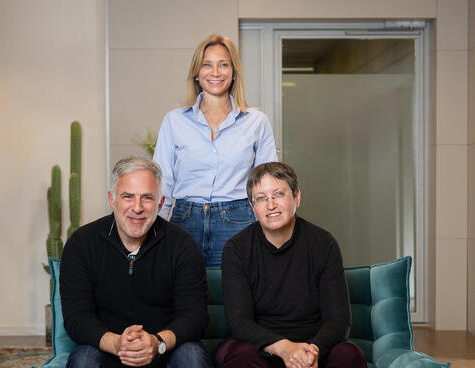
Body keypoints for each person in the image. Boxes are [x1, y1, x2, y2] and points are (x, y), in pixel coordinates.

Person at [60, 156, 212, 368]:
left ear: (160, 203)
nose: (138, 208)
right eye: (128, 197)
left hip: (164, 349)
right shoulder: (82, 244)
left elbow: (195, 317)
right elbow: (77, 317)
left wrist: (157, 342)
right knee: (83, 359)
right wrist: (117, 344)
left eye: (147, 198)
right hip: (108, 348)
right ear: (112, 199)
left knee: (192, 357)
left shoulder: (182, 245)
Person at [215, 162, 366, 368]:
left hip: (312, 344)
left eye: (278, 194)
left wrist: (310, 353)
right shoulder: (236, 249)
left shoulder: (324, 243)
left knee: (349, 355)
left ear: (296, 197)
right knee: (240, 357)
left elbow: (339, 320)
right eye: (261, 198)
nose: (270, 205)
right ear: (252, 207)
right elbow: (240, 322)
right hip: (259, 346)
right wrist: (284, 349)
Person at [153, 34, 277, 267]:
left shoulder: (256, 122)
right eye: (207, 64)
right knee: (184, 296)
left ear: (233, 71)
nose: (216, 72)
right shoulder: (174, 121)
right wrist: (154, 231)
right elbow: (163, 183)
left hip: (238, 220)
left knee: (234, 295)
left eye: (223, 64)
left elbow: (267, 184)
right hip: (184, 220)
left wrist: (270, 230)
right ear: (197, 73)